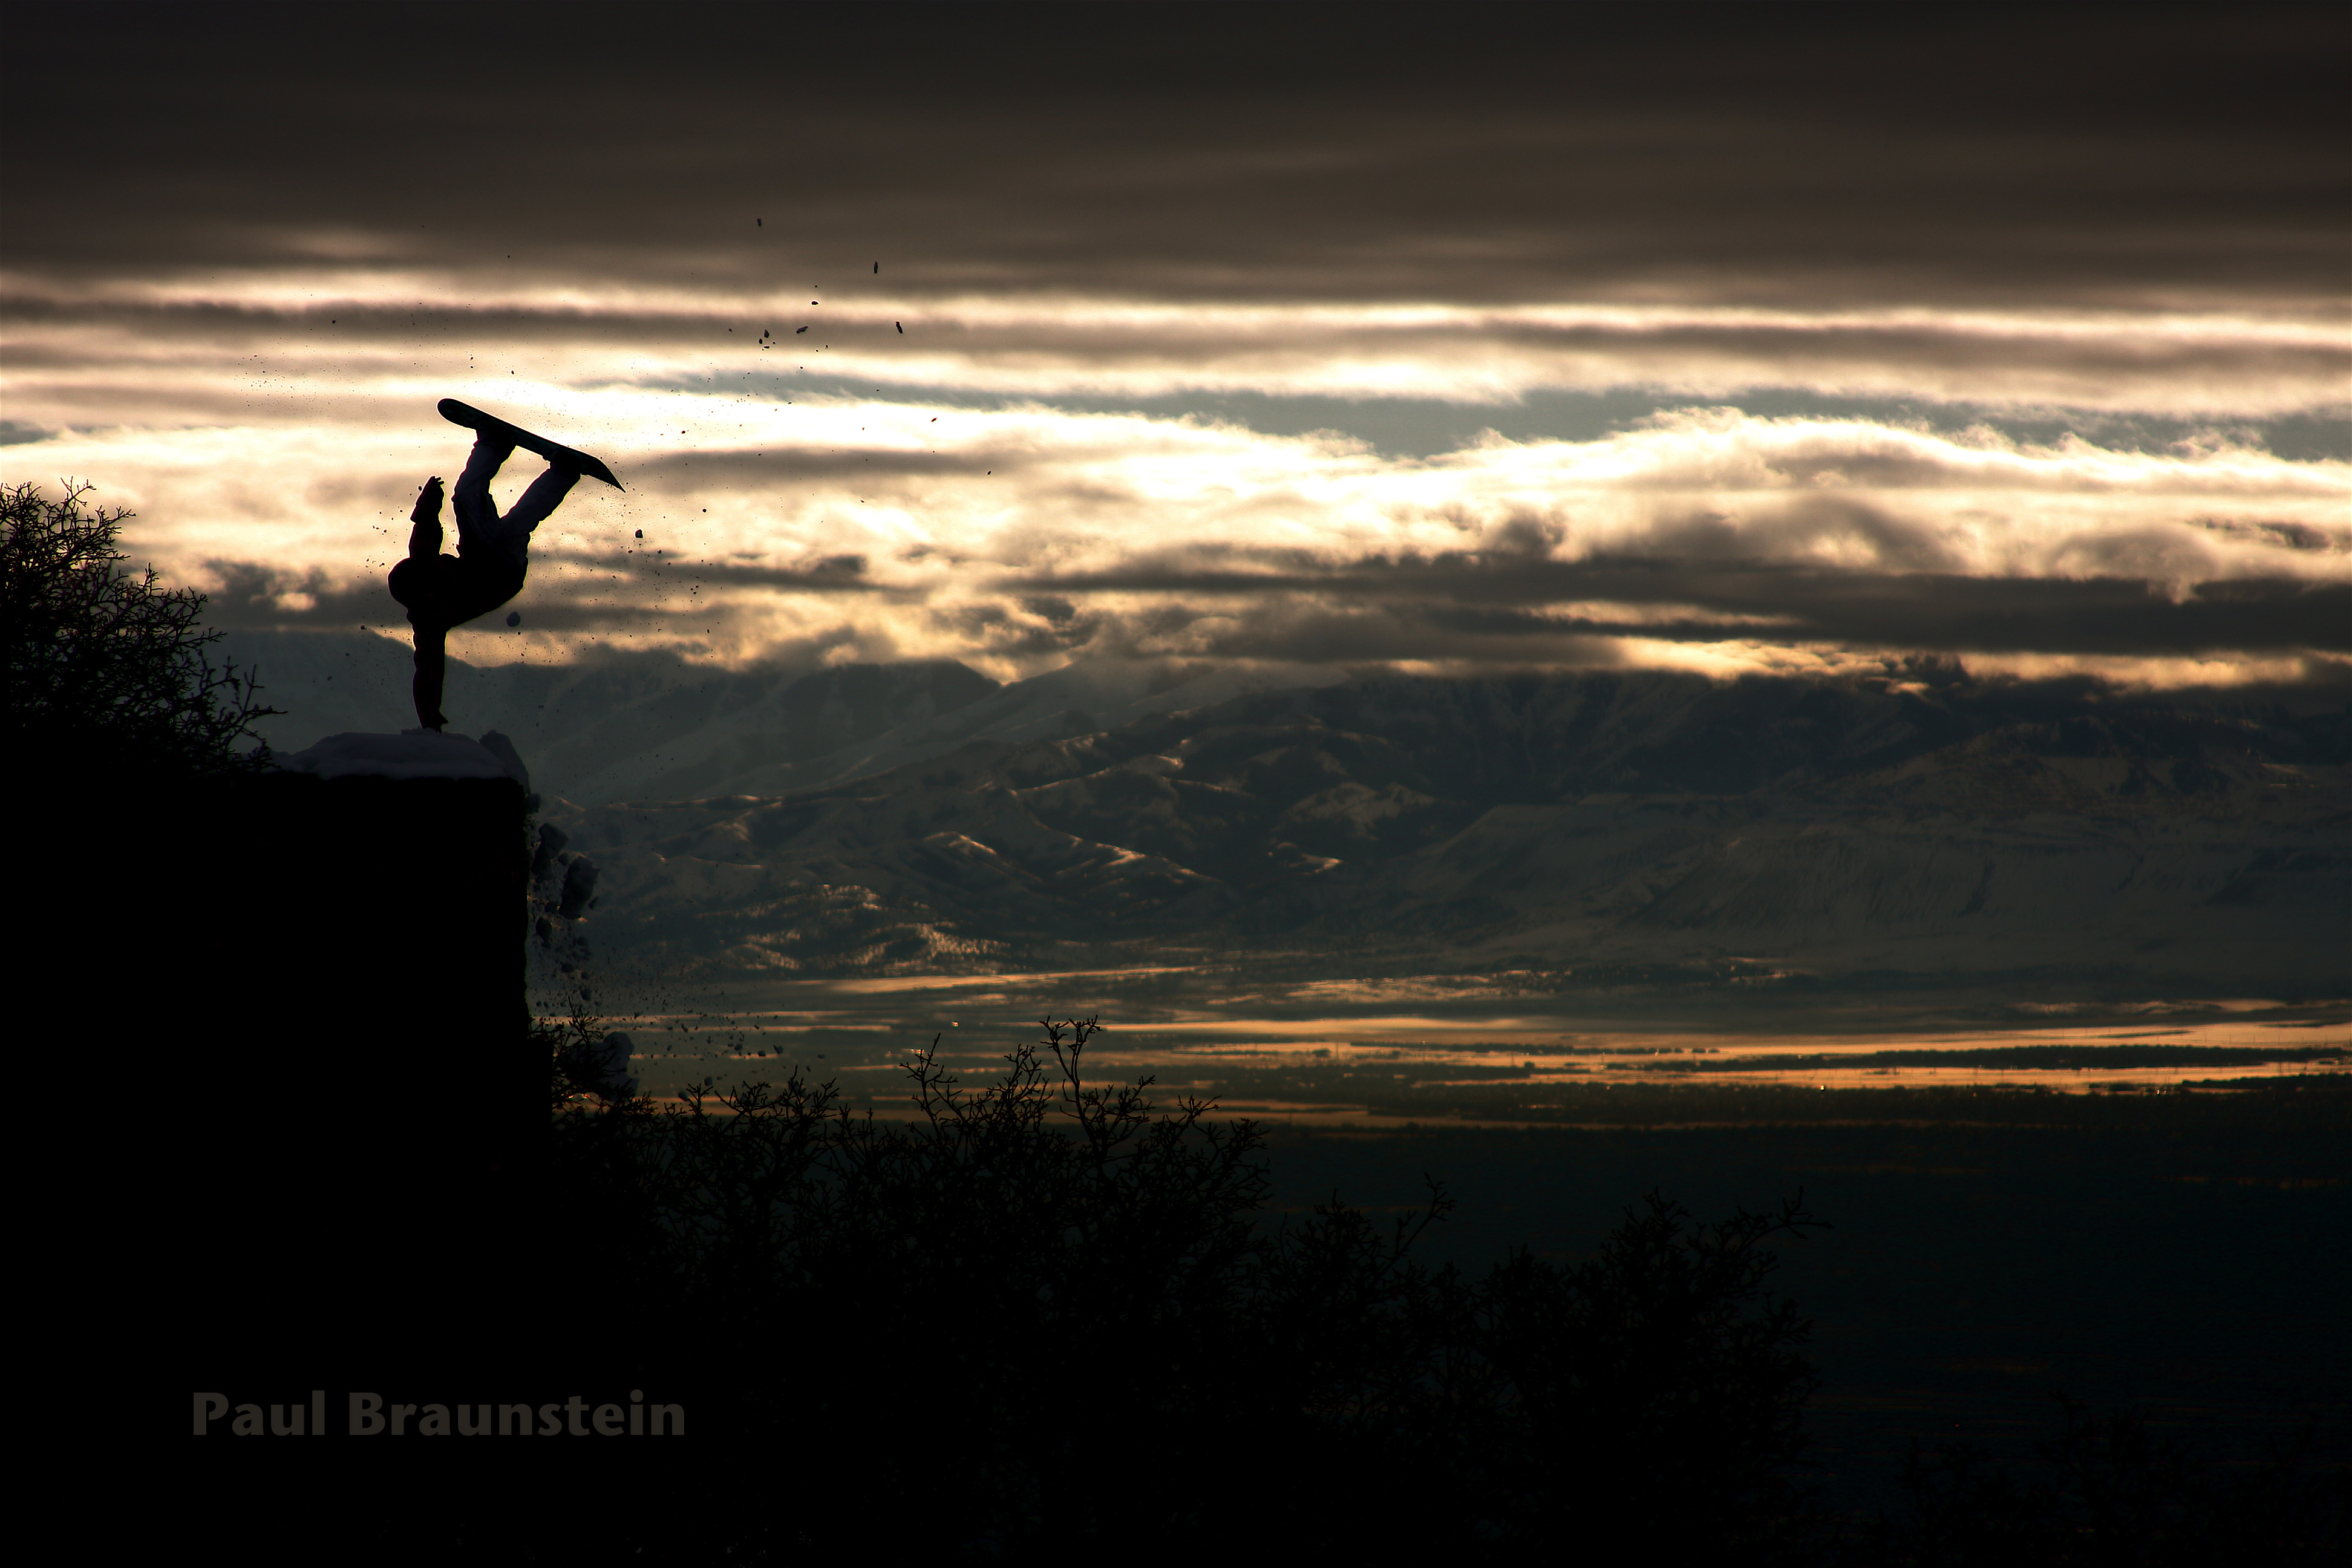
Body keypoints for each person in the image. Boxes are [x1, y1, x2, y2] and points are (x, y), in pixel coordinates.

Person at [388, 436, 578, 731]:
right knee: (509, 520)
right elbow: (428, 672)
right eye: (434, 571)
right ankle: (529, 461)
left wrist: (427, 502)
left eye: (430, 563)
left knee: (467, 500)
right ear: (426, 592)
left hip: (479, 554)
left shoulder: (422, 565)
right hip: (502, 574)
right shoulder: (430, 622)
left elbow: (424, 529)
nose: (438, 562)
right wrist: (429, 719)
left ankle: (503, 452)